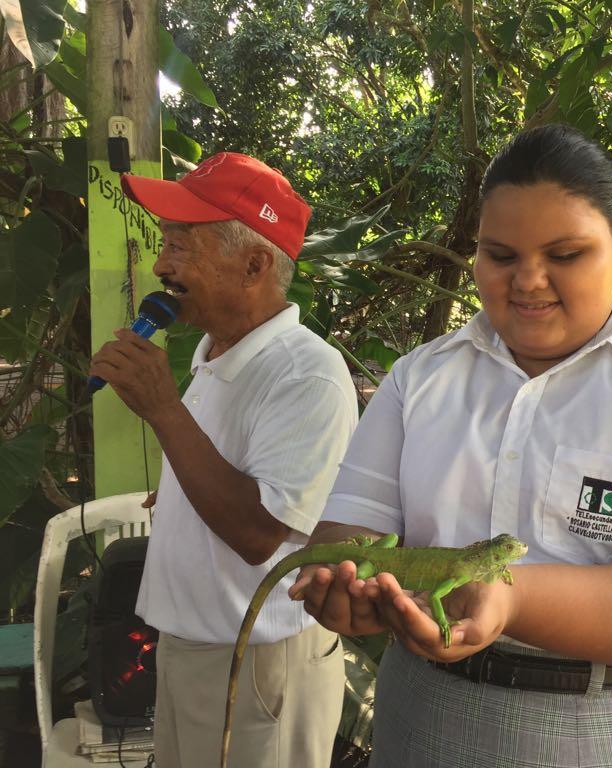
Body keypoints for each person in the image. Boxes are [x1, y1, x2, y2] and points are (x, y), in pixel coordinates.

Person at [291, 125, 612, 767]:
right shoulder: (421, 376)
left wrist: (512, 597)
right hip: (421, 718)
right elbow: (351, 526)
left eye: (565, 254)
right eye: (500, 255)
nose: (529, 280)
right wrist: (351, 590)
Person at [89, 152, 357, 768]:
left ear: (255, 264)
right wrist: (181, 495)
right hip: (191, 648)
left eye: (182, 245)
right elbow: (225, 473)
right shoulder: (214, 354)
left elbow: (259, 535)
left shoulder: (307, 375)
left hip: (257, 663)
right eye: (166, 244)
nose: (161, 265)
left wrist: (163, 410)